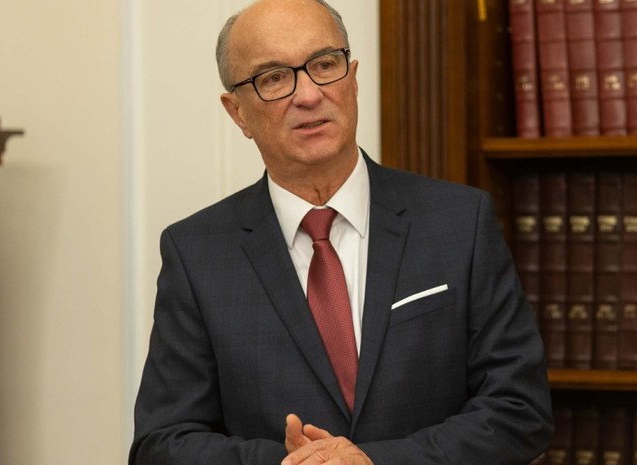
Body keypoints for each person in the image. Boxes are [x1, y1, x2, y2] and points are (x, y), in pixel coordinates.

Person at [129, 0, 553, 464]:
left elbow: (520, 410)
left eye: (324, 64)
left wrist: (375, 462)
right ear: (237, 113)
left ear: (353, 78)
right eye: (274, 78)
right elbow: (162, 443)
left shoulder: (460, 222)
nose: (309, 95)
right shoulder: (196, 253)